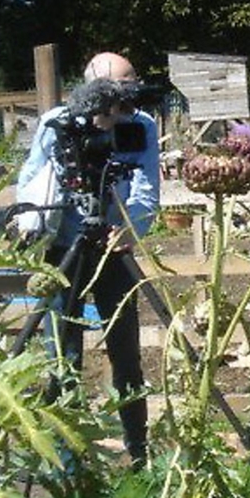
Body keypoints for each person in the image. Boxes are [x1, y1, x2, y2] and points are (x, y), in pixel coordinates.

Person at [17, 51, 161, 464]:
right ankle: (68, 462)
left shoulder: (141, 127)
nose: (127, 99)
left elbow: (147, 192)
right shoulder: (57, 124)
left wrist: (131, 228)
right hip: (65, 249)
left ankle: (139, 456)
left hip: (115, 250)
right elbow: (28, 182)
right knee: (64, 357)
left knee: (127, 355)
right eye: (119, 90)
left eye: (132, 87)